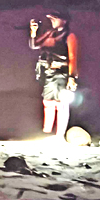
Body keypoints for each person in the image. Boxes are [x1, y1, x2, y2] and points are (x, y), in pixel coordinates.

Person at [29, 10, 79, 138]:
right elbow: (34, 45)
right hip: (48, 73)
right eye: (52, 19)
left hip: (62, 73)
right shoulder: (50, 34)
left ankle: (60, 134)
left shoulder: (69, 36)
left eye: (55, 18)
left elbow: (73, 56)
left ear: (64, 20)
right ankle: (47, 132)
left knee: (61, 103)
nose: (53, 21)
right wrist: (34, 32)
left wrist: (72, 77)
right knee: (48, 101)